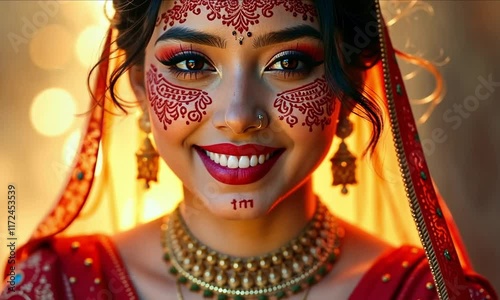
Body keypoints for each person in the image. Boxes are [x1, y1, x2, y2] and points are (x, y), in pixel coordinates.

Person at [1, 0, 497, 299]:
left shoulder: (423, 294)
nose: (239, 115)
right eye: (193, 62)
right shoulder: (52, 286)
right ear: (139, 88)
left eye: (288, 63)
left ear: (350, 91)